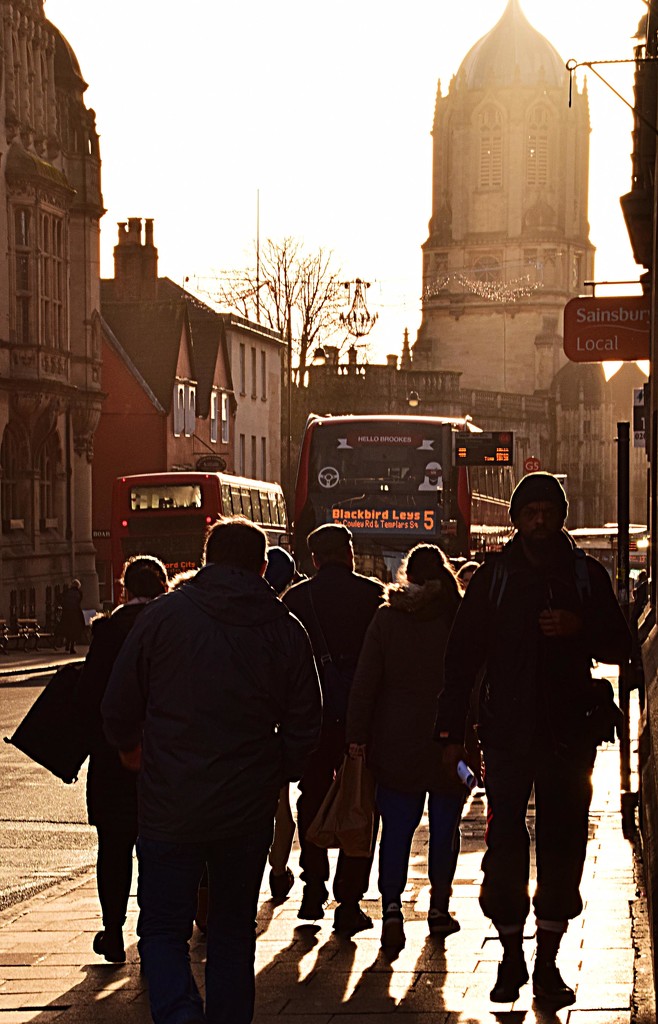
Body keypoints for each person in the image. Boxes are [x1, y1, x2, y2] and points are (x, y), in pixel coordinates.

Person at [102, 517, 321, 1024]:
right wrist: (280, 770)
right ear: (262, 565)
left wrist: (131, 749)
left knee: (161, 928)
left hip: (168, 802)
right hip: (245, 806)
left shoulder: (162, 618)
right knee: (232, 928)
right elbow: (306, 719)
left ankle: (179, 1015)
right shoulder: (285, 628)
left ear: (206, 558)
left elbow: (118, 703)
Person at [436, 472, 631, 1007]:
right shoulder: (495, 576)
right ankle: (510, 954)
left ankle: (547, 961)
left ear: (561, 516)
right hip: (506, 734)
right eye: (531, 512)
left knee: (563, 844)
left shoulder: (587, 576)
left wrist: (579, 628)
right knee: (504, 847)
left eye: (548, 510)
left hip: (569, 737)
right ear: (516, 518)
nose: (539, 520)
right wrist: (452, 732)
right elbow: (461, 658)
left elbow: (622, 645)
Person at [346, 544, 466, 950]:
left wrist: (357, 735)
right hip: (448, 740)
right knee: (445, 828)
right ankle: (439, 907)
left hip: (395, 739)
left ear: (407, 575)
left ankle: (393, 907)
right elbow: (473, 679)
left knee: (395, 830)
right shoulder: (456, 617)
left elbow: (366, 682)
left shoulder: (387, 617)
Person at [284, 523, 384, 935]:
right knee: (360, 798)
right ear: (349, 553)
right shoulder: (372, 594)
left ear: (313, 558)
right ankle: (349, 899)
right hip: (363, 713)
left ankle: (312, 885)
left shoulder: (295, 598)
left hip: (311, 715)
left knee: (311, 795)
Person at [77, 555, 168, 963]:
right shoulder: (173, 625)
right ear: (164, 587)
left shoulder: (109, 631)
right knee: (161, 847)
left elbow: (90, 695)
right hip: (166, 757)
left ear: (125, 588)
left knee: (113, 847)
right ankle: (153, 933)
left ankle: (112, 930)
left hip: (114, 757)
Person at [264, 545, 300, 902]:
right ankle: (278, 870)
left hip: (218, 734)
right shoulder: (285, 620)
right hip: (270, 733)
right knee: (280, 806)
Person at [60, 579, 85, 654]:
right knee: (75, 630)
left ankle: (67, 644)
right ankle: (72, 647)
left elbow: (60, 598)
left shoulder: (66, 592)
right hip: (75, 613)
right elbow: (79, 601)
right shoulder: (79, 593)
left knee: (67, 629)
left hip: (67, 613)